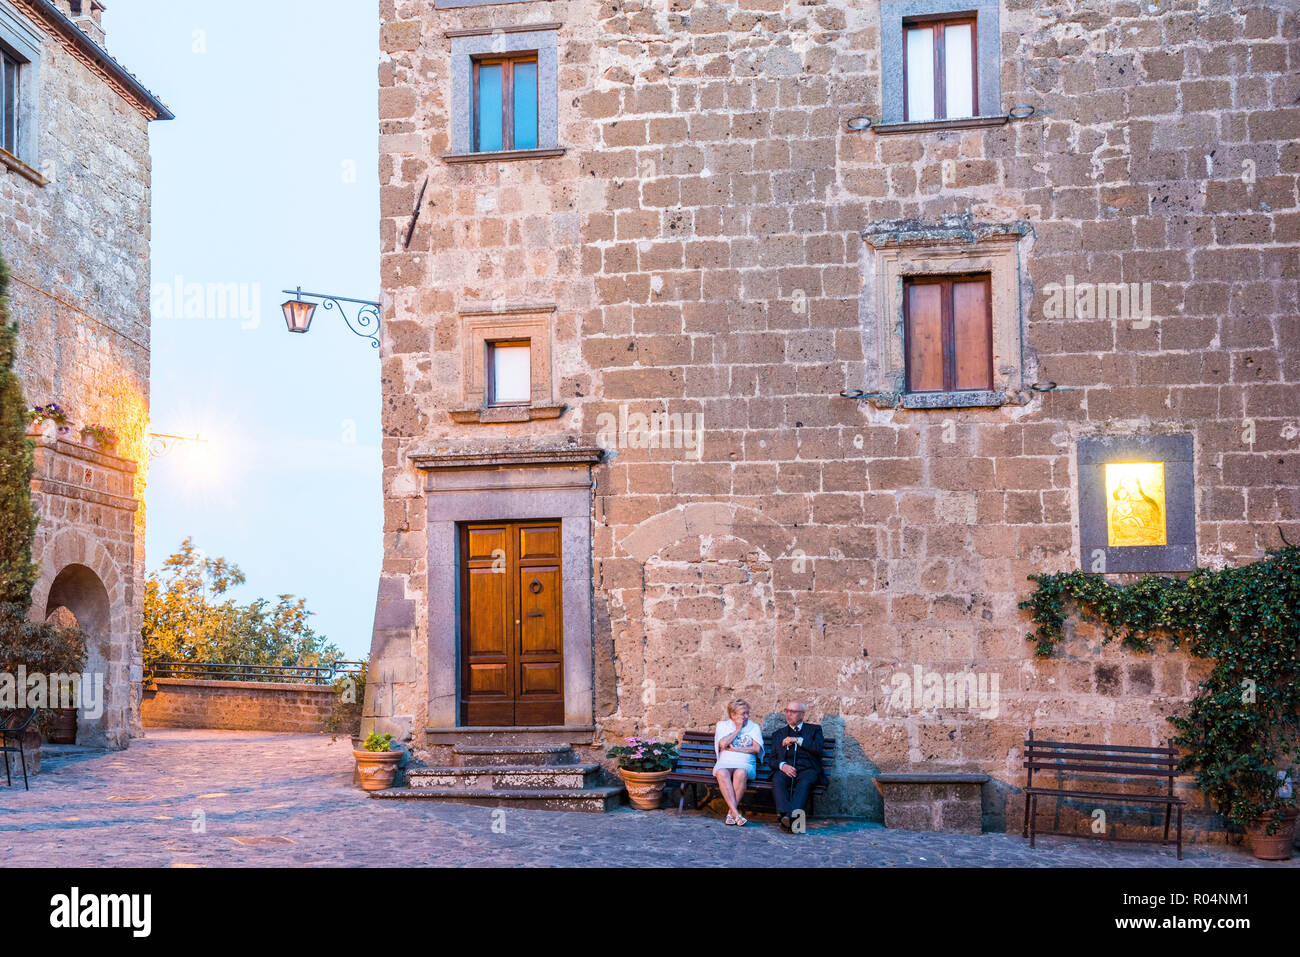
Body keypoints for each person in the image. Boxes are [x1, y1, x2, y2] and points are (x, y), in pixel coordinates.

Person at [767, 700, 827, 832]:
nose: (789, 714)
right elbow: (771, 760)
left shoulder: (814, 730)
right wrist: (782, 766)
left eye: (793, 712)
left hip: (808, 769)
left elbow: (818, 749)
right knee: (777, 778)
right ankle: (790, 818)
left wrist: (798, 740)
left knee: (805, 782)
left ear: (802, 714)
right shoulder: (778, 734)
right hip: (786, 769)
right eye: (787, 711)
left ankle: (786, 817)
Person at [713, 698, 764, 826]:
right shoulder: (722, 725)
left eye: (747, 713)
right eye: (743, 713)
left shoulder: (754, 727)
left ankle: (731, 813)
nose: (746, 716)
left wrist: (738, 749)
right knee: (721, 772)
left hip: (745, 763)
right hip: (726, 761)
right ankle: (735, 814)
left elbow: (756, 748)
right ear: (733, 715)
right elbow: (723, 744)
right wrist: (737, 729)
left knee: (740, 773)